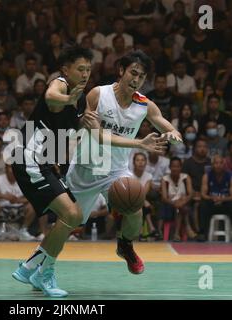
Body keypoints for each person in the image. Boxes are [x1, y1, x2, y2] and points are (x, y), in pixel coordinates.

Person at [66, 50, 182, 275]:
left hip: (116, 171)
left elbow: (170, 129)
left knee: (135, 206)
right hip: (86, 168)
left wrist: (172, 136)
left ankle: (125, 245)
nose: (136, 79)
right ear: (121, 71)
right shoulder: (99, 94)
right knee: (67, 223)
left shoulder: (144, 105)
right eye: (133, 73)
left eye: (141, 76)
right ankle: (42, 266)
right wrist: (140, 144)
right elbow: (95, 134)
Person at [11, 46, 93, 297]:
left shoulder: (80, 97)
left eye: (88, 69)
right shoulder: (59, 85)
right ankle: (43, 273)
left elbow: (66, 129)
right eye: (80, 69)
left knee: (73, 216)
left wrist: (85, 123)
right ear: (65, 70)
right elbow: (50, 97)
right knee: (71, 213)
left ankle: (31, 267)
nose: (85, 74)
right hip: (27, 158)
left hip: (43, 161)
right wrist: (67, 99)